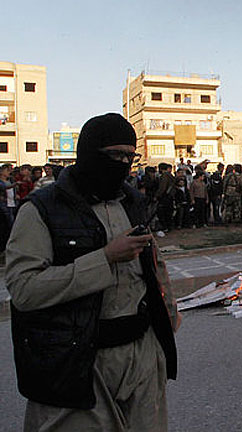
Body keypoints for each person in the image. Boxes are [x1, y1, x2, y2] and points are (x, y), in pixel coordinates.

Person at [5, 113, 178, 431]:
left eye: (130, 156)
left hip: (141, 356)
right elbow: (25, 289)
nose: (123, 163)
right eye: (115, 155)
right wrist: (105, 258)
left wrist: (168, 316)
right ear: (88, 153)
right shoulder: (42, 209)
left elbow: (152, 262)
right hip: (79, 361)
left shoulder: (131, 201)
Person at [156, 163, 176, 232]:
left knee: (163, 212)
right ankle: (169, 226)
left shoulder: (164, 176)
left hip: (165, 196)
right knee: (169, 212)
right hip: (170, 196)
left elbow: (162, 187)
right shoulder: (170, 175)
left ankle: (165, 227)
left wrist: (158, 195)